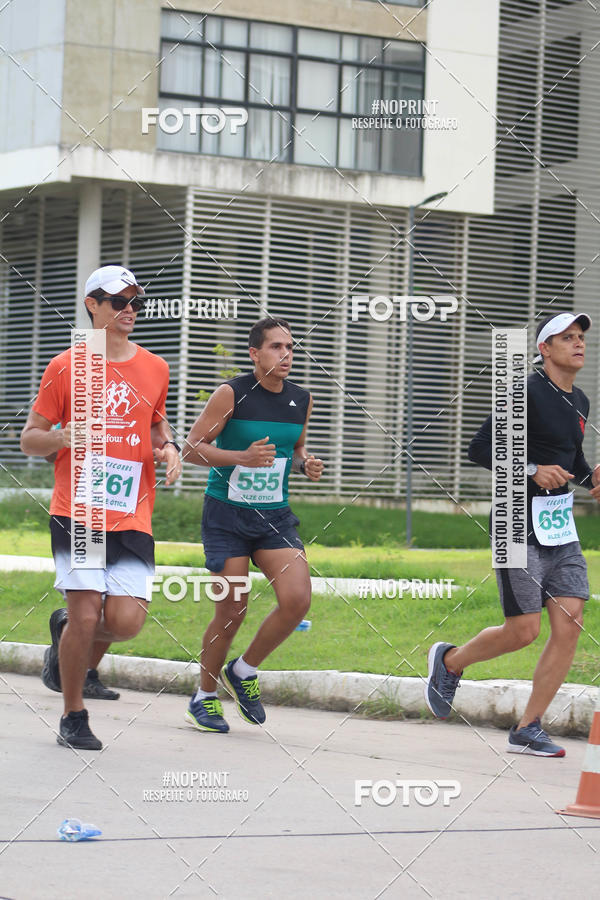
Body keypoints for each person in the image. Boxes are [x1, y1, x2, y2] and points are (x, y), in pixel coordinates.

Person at [20, 265, 182, 750]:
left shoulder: (155, 367)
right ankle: (73, 715)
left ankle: (65, 633)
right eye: (119, 302)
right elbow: (30, 438)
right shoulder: (68, 364)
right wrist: (61, 435)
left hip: (132, 509)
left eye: (136, 302)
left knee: (127, 623)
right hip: (81, 508)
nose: (130, 310)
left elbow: (157, 423)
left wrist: (169, 447)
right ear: (93, 305)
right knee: (89, 615)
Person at [425, 312, 600, 757]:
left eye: (581, 337)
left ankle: (529, 725)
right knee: (523, 630)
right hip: (514, 523)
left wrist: (590, 477)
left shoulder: (578, 399)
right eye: (567, 338)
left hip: (559, 525)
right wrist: (530, 469)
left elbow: (569, 458)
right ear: (544, 348)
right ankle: (449, 662)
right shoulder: (525, 391)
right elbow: (480, 448)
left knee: (571, 620)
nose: (578, 344)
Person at [182, 317, 323, 733]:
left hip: (274, 516)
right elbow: (191, 449)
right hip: (226, 516)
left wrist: (305, 464)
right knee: (231, 611)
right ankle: (204, 697)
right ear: (255, 353)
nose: (286, 355)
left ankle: (242, 671)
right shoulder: (231, 394)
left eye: (291, 348)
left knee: (297, 599)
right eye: (276, 347)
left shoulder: (302, 398)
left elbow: (294, 449)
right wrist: (239, 457)